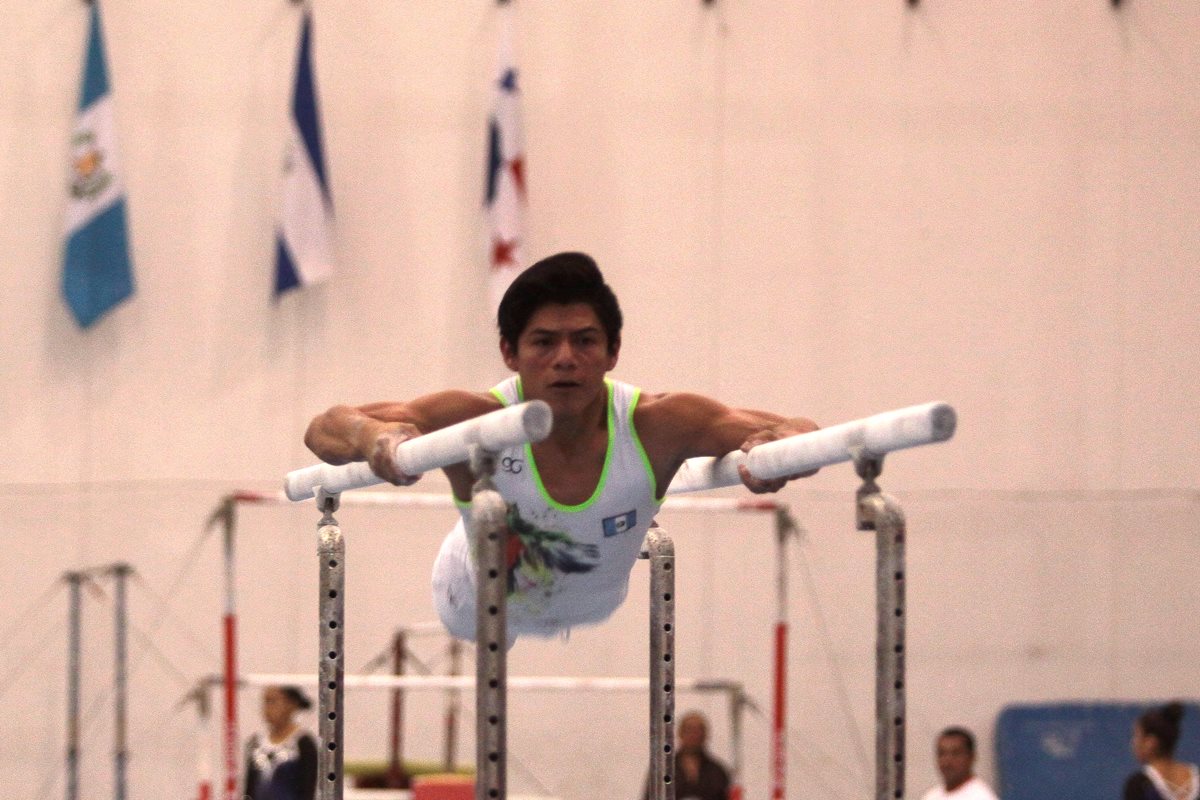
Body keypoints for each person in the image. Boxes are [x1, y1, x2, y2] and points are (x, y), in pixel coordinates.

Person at [304, 251, 818, 642]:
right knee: (483, 584)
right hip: (472, 599)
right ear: (510, 353)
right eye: (544, 342)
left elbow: (804, 433)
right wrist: (374, 437)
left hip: (594, 603)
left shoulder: (660, 423)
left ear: (613, 351)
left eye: (585, 341)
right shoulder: (474, 420)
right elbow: (325, 428)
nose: (565, 359)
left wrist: (775, 450)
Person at [243, 685, 317, 800]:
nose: (267, 708)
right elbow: (249, 787)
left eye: (272, 701)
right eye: (265, 702)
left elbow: (309, 788)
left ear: (291, 705)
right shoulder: (255, 742)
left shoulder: (303, 743)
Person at [641, 710, 731, 800]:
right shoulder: (663, 769)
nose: (694, 735)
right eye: (690, 730)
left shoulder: (717, 772)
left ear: (705, 735)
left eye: (699, 731)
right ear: (680, 733)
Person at [1123, 702, 1198, 800]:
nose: (1133, 743)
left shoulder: (1140, 786)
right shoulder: (1196, 779)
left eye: (1136, 736)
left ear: (1151, 742)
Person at [919, 727, 999, 800]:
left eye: (956, 753)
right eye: (942, 754)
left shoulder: (981, 797)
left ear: (972, 757)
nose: (947, 762)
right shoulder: (931, 795)